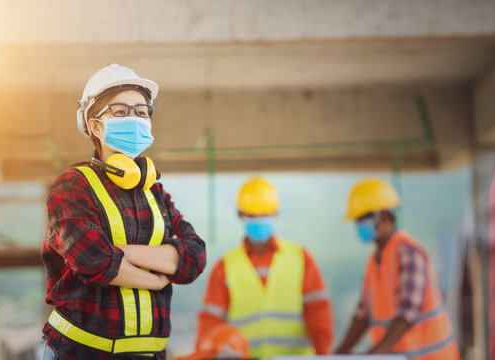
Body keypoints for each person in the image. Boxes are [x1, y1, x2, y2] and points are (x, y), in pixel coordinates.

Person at [41, 63, 206, 360]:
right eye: (120, 111)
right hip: (80, 354)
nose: (134, 118)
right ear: (94, 125)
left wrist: (121, 252)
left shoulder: (154, 191)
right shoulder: (71, 187)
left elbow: (194, 257)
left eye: (142, 112)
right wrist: (157, 276)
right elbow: (94, 261)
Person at [196, 176, 334, 358]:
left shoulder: (301, 258)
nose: (259, 220)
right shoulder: (224, 267)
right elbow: (210, 325)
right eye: (252, 215)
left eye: (265, 214)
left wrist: (323, 355)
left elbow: (319, 315)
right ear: (240, 214)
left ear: (275, 213)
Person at [335, 178, 460, 359]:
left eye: (364, 218)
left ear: (385, 215)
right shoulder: (375, 259)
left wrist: (373, 355)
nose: (359, 225)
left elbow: (407, 313)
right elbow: (362, 316)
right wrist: (339, 354)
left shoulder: (408, 252)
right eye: (357, 220)